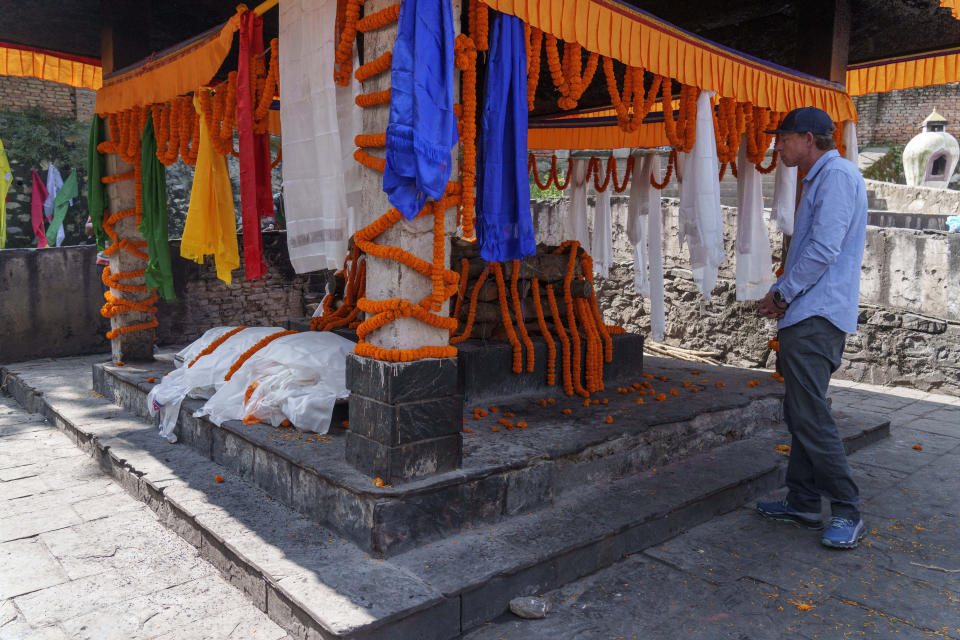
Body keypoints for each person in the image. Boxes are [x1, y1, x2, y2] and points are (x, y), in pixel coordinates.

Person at [754, 107, 868, 549]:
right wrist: (785, 295)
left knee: (811, 416)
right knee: (801, 411)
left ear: (807, 138)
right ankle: (803, 500)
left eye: (782, 138)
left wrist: (783, 294)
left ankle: (846, 508)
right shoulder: (823, 177)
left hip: (816, 315)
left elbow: (823, 249)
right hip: (809, 312)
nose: (776, 145)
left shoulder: (836, 177)